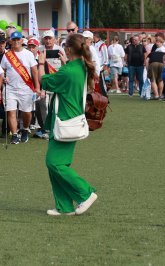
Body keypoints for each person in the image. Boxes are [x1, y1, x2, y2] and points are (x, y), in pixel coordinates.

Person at [37, 33, 98, 216]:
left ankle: (85, 193)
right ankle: (64, 206)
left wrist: (40, 63)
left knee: (54, 163)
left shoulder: (70, 70)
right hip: (68, 118)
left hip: (64, 120)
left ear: (69, 49)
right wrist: (65, 63)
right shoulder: (80, 66)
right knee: (58, 164)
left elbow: (44, 81)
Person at [0, 31, 40, 145]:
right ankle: (14, 134)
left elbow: (34, 71)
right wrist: (3, 78)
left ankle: (25, 129)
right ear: (11, 41)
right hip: (10, 88)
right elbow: (2, 70)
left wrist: (37, 87)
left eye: (18, 40)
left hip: (26, 88)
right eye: (14, 40)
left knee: (26, 112)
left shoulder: (28, 54)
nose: (16, 42)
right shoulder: (7, 55)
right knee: (11, 112)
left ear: (22, 41)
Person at [147, 34, 165, 100]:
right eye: (156, 41)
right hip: (161, 64)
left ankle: (156, 95)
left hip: (153, 63)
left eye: (158, 42)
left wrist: (147, 68)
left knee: (153, 80)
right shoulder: (163, 49)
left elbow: (147, 60)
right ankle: (160, 95)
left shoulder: (157, 50)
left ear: (161, 42)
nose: (156, 43)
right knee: (160, 80)